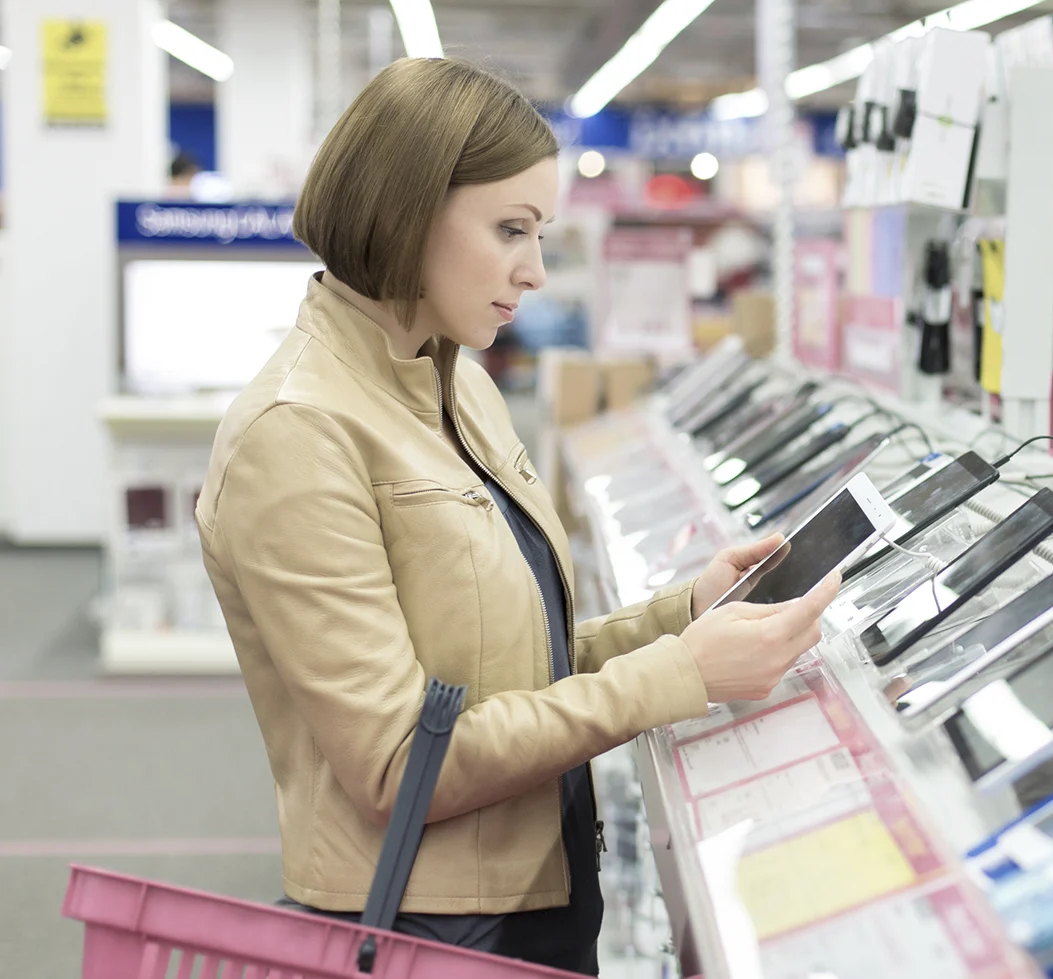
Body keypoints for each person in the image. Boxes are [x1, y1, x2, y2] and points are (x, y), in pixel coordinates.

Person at [195, 57, 839, 974]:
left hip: (536, 894)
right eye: (511, 229)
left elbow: (505, 670)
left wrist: (682, 617)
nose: (534, 271)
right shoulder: (296, 433)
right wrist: (678, 674)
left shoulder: (458, 385)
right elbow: (393, 765)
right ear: (406, 208)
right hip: (427, 927)